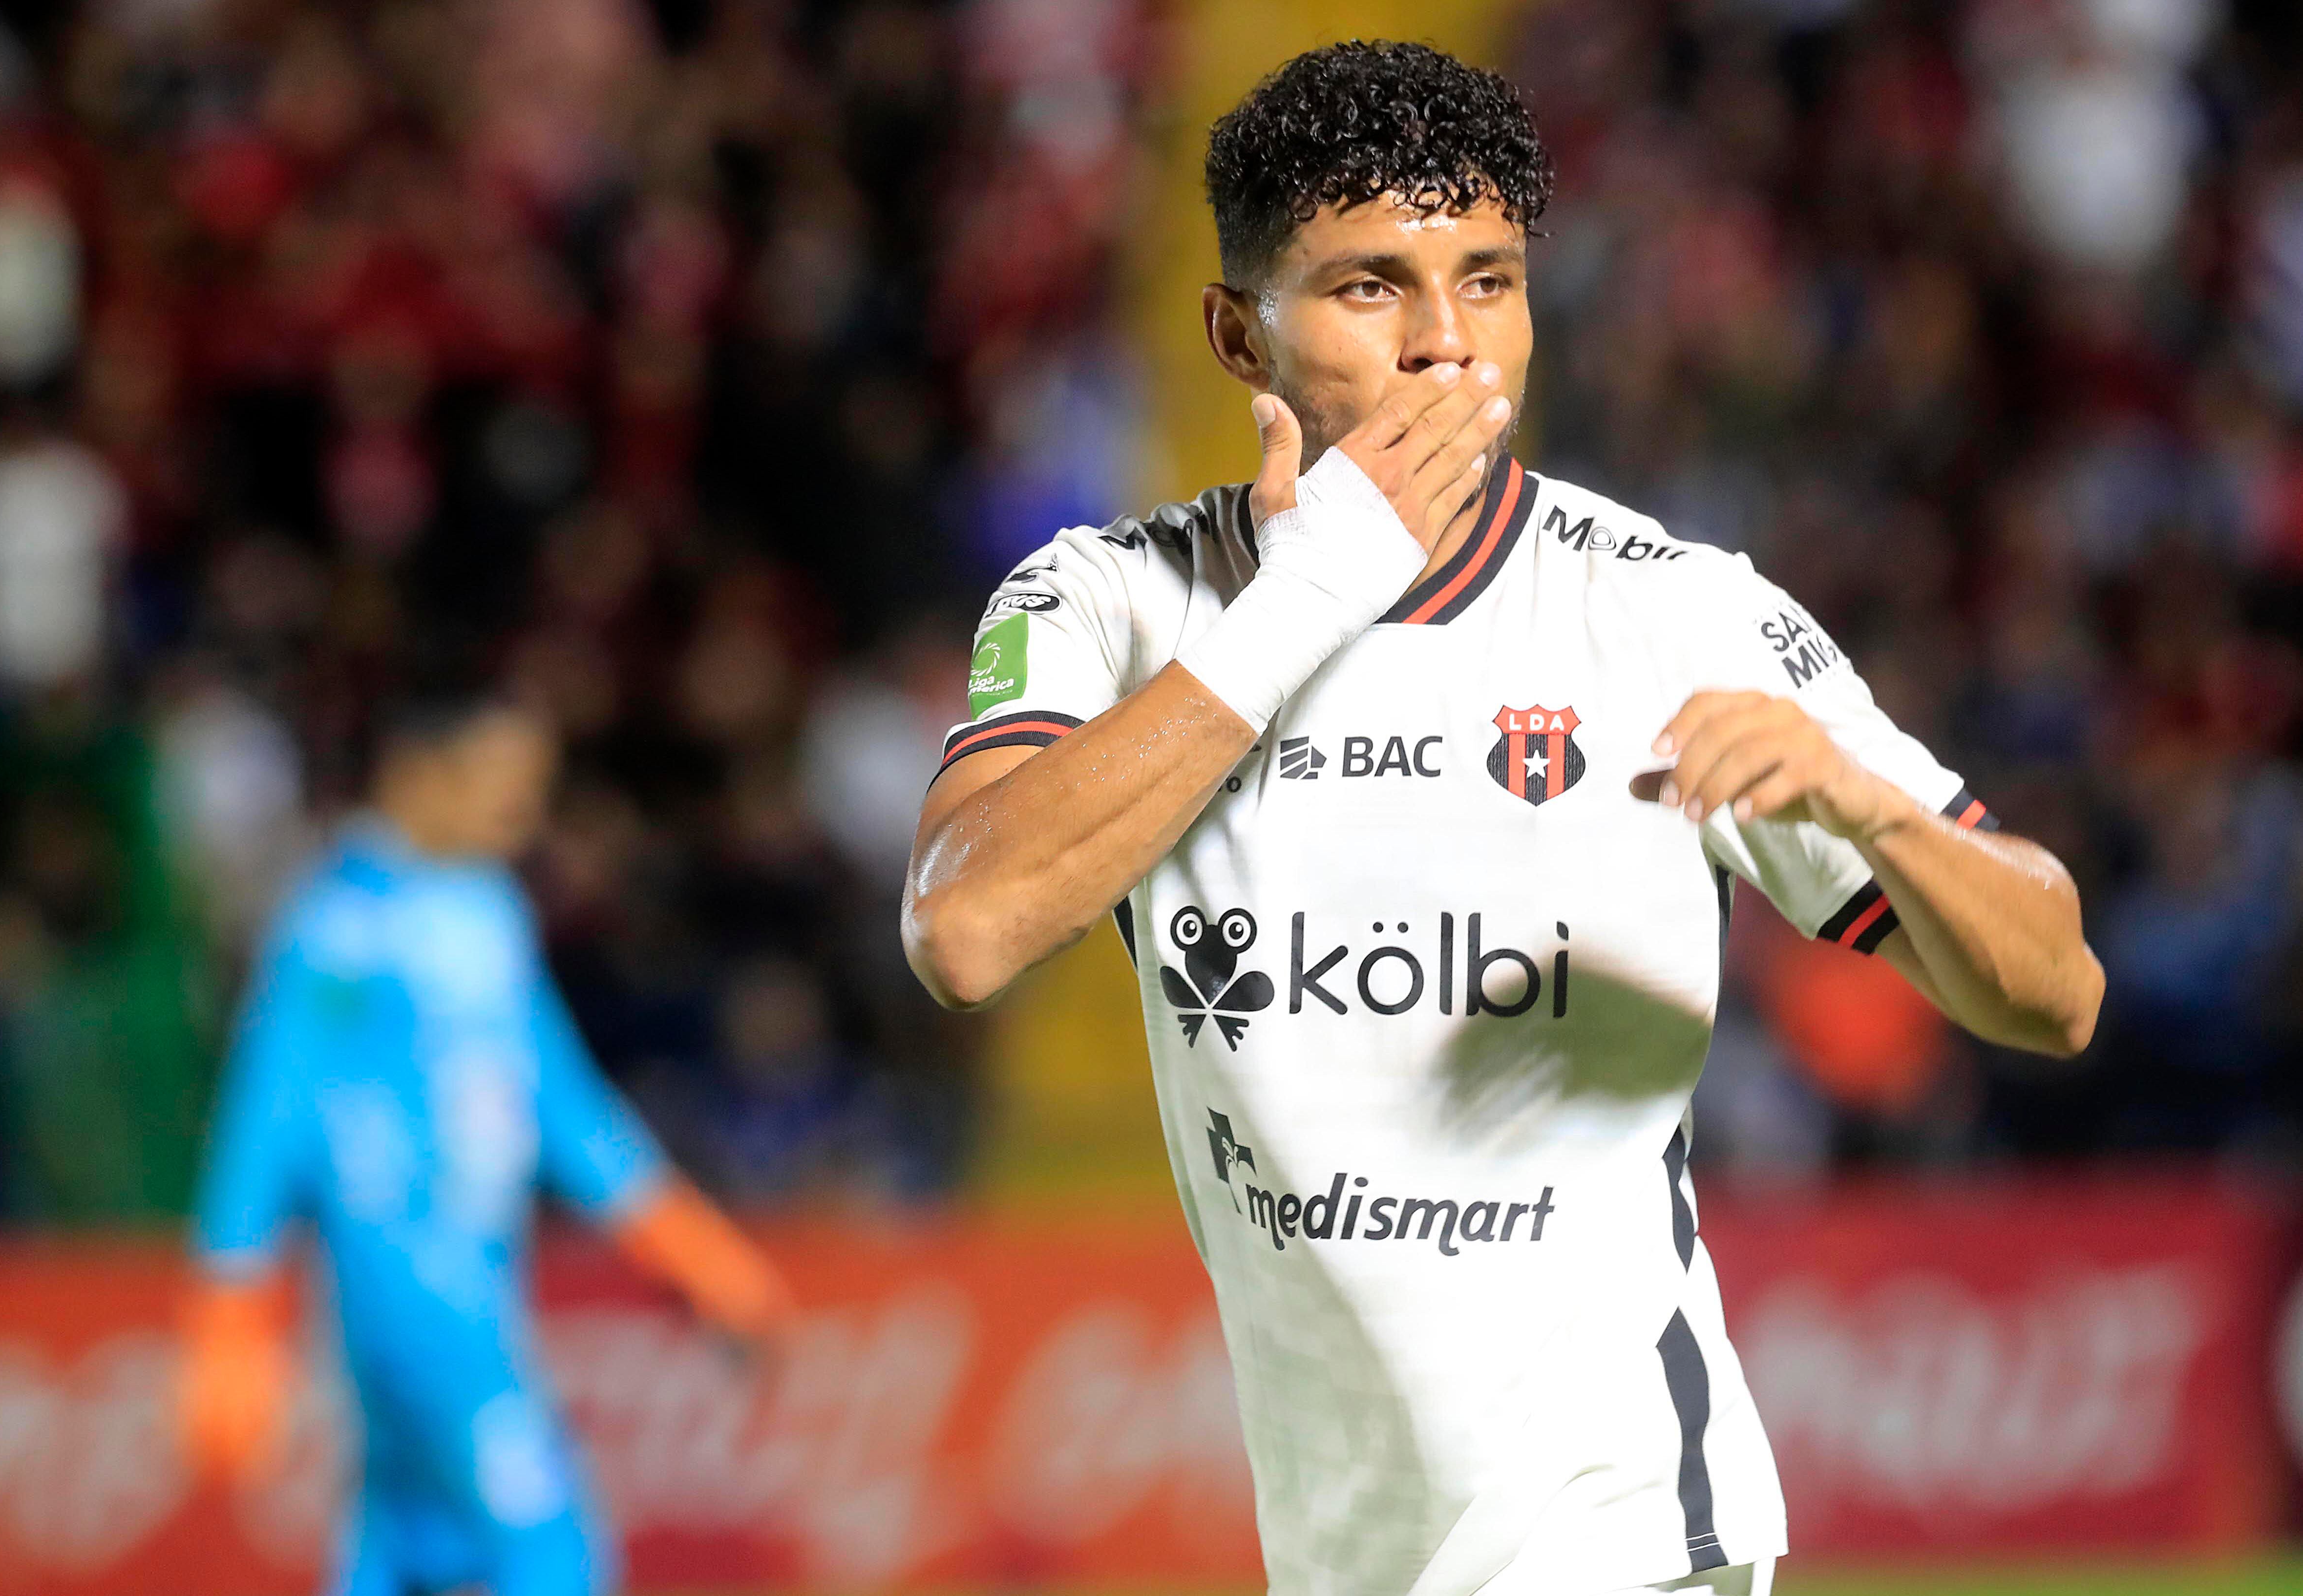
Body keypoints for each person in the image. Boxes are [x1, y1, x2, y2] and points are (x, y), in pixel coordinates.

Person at [902, 41, 2104, 1596]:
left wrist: (1875, 810)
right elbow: (964, 923)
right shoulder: (1108, 604)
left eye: (1486, 279)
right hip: (1346, 1562)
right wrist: (1316, 591)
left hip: (1628, 1546)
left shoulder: (1664, 610)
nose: (1445, 345)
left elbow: (2055, 984)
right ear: (1234, 335)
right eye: (1367, 288)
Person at [175, 693, 789, 1596]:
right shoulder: (340, 928)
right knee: (548, 1542)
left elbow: (562, 1102)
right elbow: (269, 1116)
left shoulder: (487, 908)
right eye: (503, 786)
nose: (524, 814)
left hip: (481, 1277)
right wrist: (231, 1307)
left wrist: (690, 1248)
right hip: (409, 1283)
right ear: (417, 776)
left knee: (402, 1539)